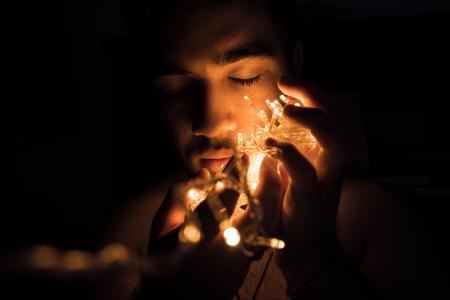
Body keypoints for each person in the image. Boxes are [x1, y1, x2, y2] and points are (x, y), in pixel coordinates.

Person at [95, 0, 450, 299]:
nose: (209, 122)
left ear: (294, 65)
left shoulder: (376, 222)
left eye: (244, 77)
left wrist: (316, 262)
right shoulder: (135, 229)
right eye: (174, 88)